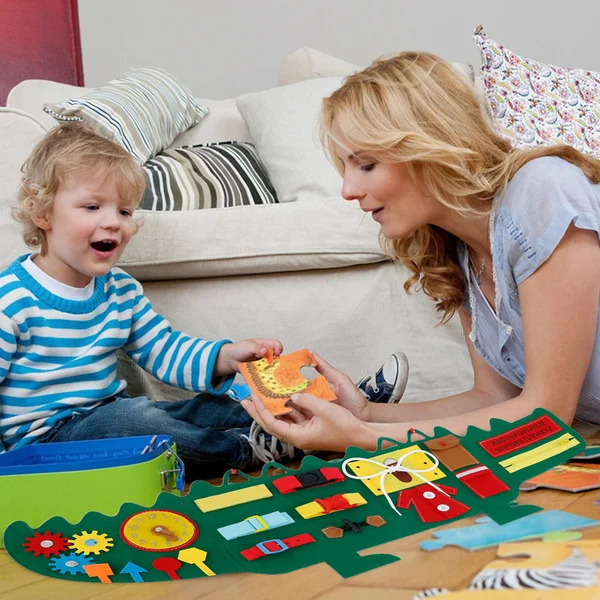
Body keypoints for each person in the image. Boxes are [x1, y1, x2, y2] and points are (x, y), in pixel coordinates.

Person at [0, 122, 407, 479]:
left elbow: (164, 350)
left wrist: (227, 357)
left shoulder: (120, 289)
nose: (113, 222)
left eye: (124, 211)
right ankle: (248, 448)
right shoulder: (12, 299)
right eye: (92, 207)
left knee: (207, 406)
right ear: (42, 213)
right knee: (135, 419)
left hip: (115, 420)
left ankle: (332, 410)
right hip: (47, 447)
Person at [242, 51, 600, 453]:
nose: (348, 191)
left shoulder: (542, 191)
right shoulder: (462, 253)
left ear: (428, 149)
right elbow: (495, 399)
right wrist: (365, 414)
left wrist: (361, 438)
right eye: (345, 167)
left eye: (366, 165)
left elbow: (549, 414)